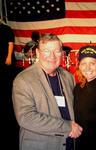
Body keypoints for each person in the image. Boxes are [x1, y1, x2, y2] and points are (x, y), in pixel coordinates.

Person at [12, 33, 83, 150]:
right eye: (46, 51)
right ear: (38, 53)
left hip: (69, 143)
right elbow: (26, 117)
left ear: (62, 53)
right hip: (41, 145)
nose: (52, 56)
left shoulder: (68, 77)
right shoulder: (23, 79)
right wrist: (67, 127)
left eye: (57, 51)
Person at [0, 18, 19, 149]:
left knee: (8, 82)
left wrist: (8, 56)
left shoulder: (6, 29)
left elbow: (10, 43)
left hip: (6, 59)